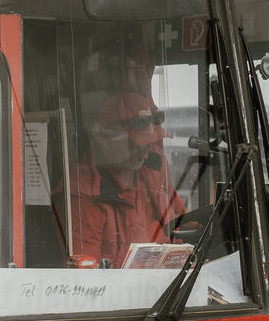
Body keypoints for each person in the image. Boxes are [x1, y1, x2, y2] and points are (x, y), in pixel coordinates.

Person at [59, 92, 187, 265]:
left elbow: (180, 221)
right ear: (106, 140)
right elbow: (88, 277)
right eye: (135, 144)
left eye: (149, 143)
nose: (145, 152)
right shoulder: (84, 194)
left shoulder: (152, 173)